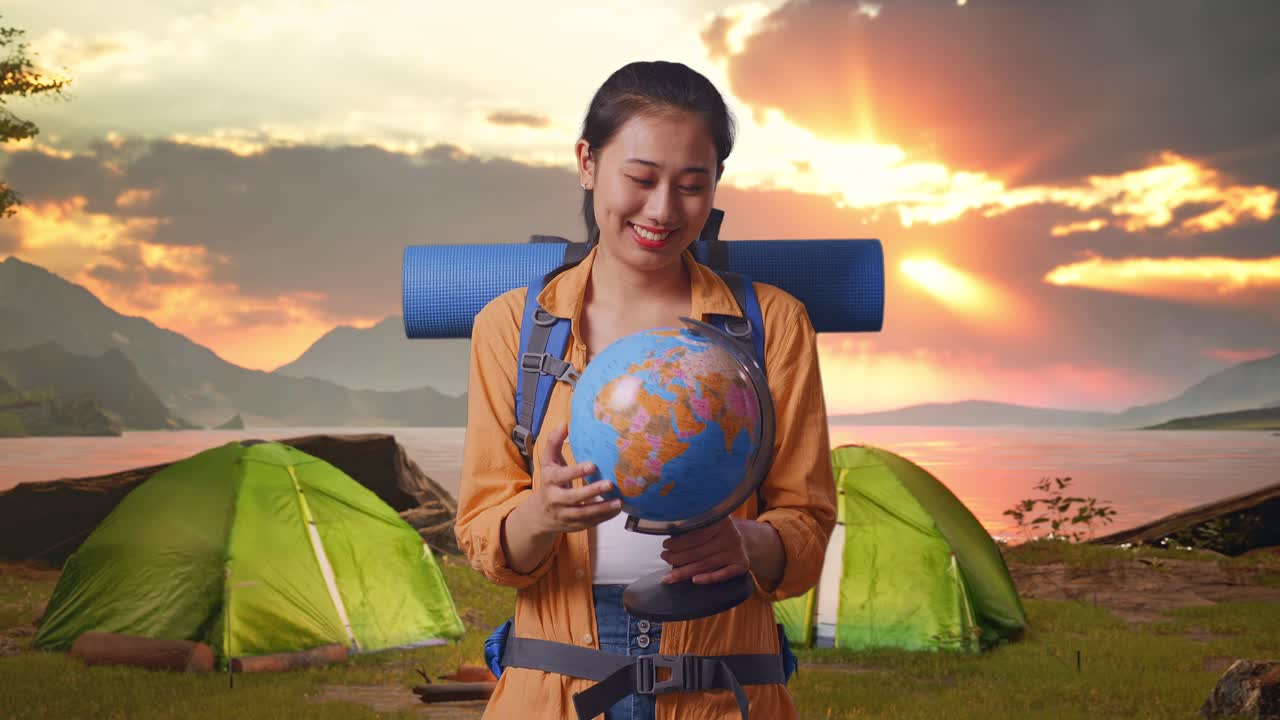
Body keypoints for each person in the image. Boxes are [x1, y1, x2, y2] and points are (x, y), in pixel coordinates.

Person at [456, 60, 836, 720]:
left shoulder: (772, 325)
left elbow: (807, 525)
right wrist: (542, 515)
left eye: (692, 185)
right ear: (587, 163)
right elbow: (487, 541)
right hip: (554, 691)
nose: (662, 210)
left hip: (722, 688)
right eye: (640, 178)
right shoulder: (512, 329)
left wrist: (749, 544)